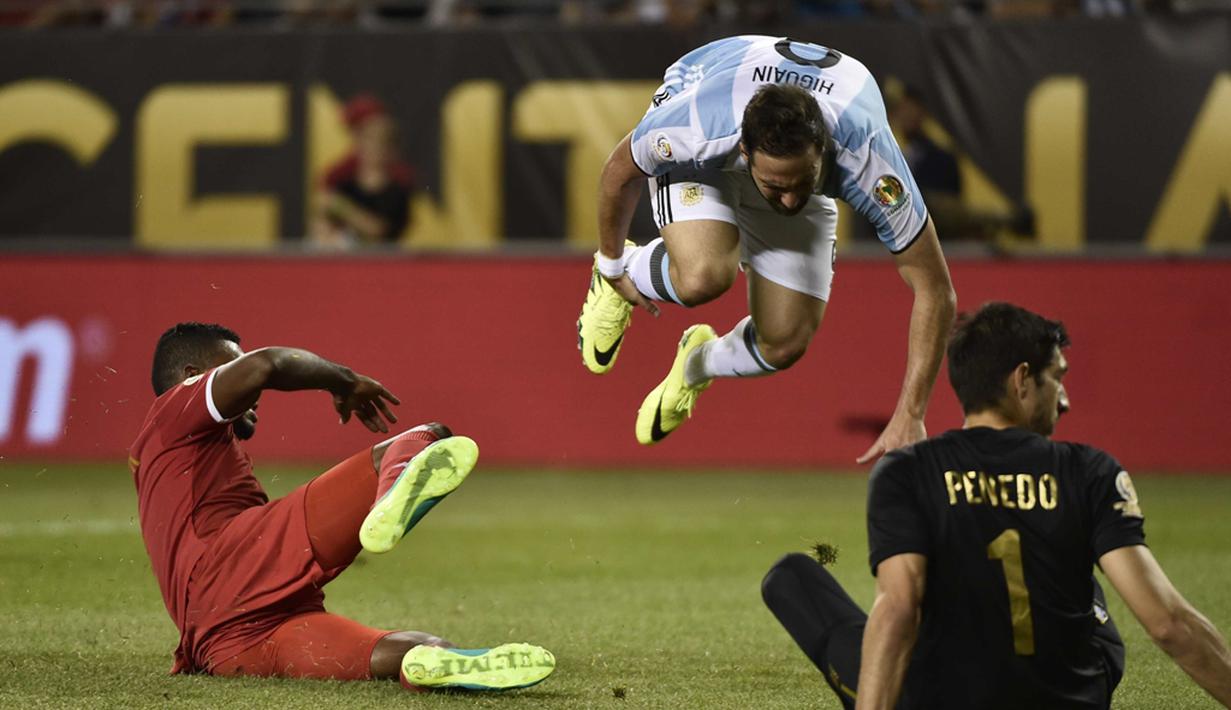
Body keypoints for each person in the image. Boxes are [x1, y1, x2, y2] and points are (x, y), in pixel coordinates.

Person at [762, 302, 1231, 709]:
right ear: (1022, 379)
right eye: (1057, 378)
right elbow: (1169, 623)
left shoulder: (906, 472)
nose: (1063, 399)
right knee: (1074, 567)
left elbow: (899, 609)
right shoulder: (1089, 471)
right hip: (1068, 698)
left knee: (793, 578)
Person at [576, 36, 956, 457]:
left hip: (792, 129)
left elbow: (935, 288)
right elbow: (618, 171)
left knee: (784, 342)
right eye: (777, 186)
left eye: (803, 183)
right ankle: (625, 271)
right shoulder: (696, 125)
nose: (791, 201)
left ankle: (695, 363)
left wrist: (911, 414)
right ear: (743, 151)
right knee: (703, 276)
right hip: (706, 95)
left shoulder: (868, 159)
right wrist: (610, 264)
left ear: (822, 153)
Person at [129, 322, 555, 691]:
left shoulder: (175, 451)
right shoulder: (174, 410)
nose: (253, 396)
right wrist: (344, 380)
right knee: (428, 436)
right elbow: (268, 364)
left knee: (412, 651)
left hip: (224, 643)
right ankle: (391, 495)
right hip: (235, 562)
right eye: (226, 367)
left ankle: (449, 661)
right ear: (192, 377)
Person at [312, 95, 413, 248]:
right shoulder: (342, 176)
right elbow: (323, 215)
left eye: (378, 142)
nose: (371, 148)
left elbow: (380, 229)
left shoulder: (398, 183)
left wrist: (340, 206)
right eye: (365, 136)